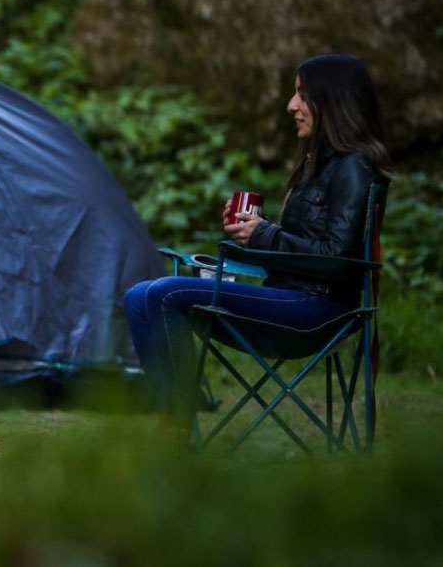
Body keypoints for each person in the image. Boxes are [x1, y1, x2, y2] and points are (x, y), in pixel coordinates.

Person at [123, 53, 392, 417]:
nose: (291, 105)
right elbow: (309, 244)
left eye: (301, 94)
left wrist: (265, 234)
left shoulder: (354, 166)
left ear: (331, 100)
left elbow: (337, 260)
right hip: (290, 297)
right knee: (137, 296)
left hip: (317, 311)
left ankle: (176, 428)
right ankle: (169, 415)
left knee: (164, 294)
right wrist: (254, 232)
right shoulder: (324, 163)